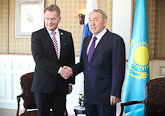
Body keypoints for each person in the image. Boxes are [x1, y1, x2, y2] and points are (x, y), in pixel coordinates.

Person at [62, 9, 126, 116]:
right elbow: (85, 64)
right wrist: (71, 70)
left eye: (96, 20)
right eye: (90, 20)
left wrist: (115, 92)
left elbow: (118, 69)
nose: (92, 23)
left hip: (106, 95)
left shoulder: (115, 40)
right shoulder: (87, 40)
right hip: (89, 94)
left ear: (104, 22)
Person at [31, 4, 75, 116]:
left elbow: (71, 59)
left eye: (53, 19)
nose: (49, 21)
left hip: (61, 85)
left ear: (59, 19)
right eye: (47, 18)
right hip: (43, 85)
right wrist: (60, 70)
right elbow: (39, 59)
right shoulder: (37, 35)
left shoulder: (67, 35)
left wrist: (70, 81)